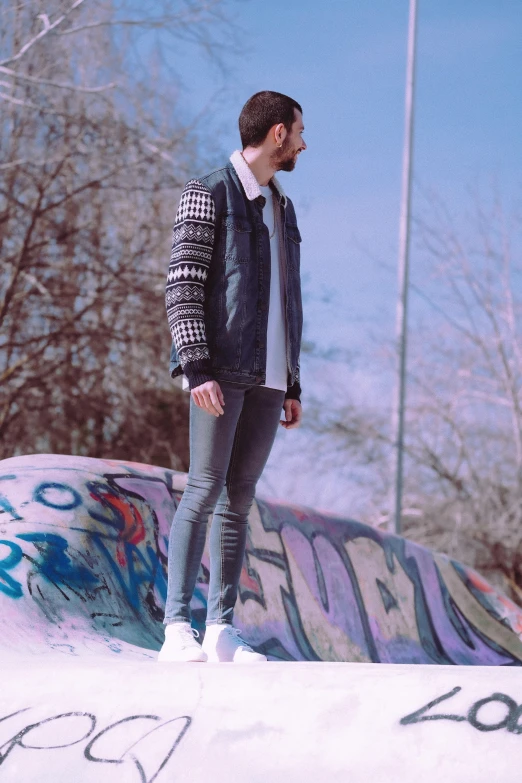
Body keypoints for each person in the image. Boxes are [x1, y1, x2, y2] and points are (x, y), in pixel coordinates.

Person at [158, 91, 306, 663]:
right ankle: (176, 627)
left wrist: (291, 380)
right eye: (297, 132)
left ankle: (220, 628)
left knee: (239, 499)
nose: (302, 143)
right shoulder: (209, 192)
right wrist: (196, 366)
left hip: (270, 378)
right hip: (218, 370)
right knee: (203, 487)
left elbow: (286, 298)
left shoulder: (282, 207)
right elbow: (183, 283)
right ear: (275, 134)